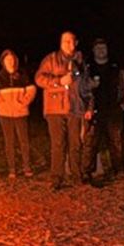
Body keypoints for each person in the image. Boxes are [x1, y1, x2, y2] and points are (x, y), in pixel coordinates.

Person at [35, 31, 93, 190]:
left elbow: (86, 86)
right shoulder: (51, 59)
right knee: (58, 144)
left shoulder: (81, 61)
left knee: (76, 144)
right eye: (66, 41)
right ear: (61, 43)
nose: (69, 44)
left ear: (76, 43)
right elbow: (39, 78)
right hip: (55, 108)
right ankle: (57, 178)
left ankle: (77, 176)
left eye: (71, 41)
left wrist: (89, 106)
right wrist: (58, 81)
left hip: (75, 108)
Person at [81, 38, 124, 184]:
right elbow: (82, 89)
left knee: (116, 142)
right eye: (98, 48)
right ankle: (86, 172)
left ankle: (119, 170)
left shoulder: (116, 67)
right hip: (94, 111)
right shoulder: (88, 68)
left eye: (103, 47)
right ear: (93, 50)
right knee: (90, 143)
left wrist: (123, 105)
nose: (101, 50)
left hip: (113, 110)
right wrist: (86, 107)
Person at [0, 49, 36, 179]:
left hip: (20, 112)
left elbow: (31, 90)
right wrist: (1, 103)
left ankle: (27, 167)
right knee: (9, 141)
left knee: (24, 140)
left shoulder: (22, 75)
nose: (10, 62)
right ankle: (12, 169)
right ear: (3, 61)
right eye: (7, 59)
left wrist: (23, 102)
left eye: (12, 59)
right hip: (4, 113)